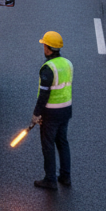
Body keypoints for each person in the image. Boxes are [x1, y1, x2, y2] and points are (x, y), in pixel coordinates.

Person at [31, 30, 72, 191]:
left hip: (51, 114)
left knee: (48, 146)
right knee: (62, 143)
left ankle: (50, 180)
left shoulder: (48, 68)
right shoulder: (68, 64)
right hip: (65, 110)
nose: (44, 48)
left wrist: (36, 114)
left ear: (48, 49)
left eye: (45, 45)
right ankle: (65, 176)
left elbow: (44, 95)